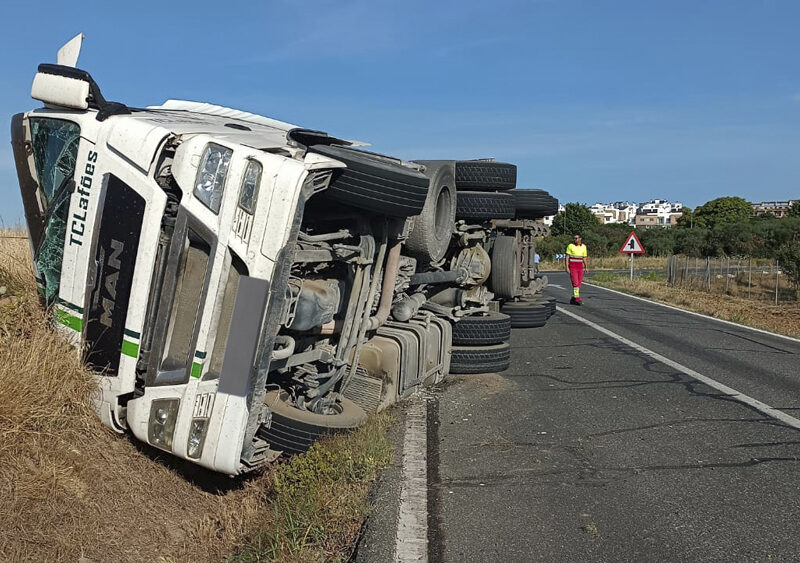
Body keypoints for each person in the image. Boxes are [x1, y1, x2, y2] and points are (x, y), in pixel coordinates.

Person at [564, 234, 588, 305]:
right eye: (574, 238)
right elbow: (567, 257)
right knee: (575, 283)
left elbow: (584, 258)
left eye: (576, 238)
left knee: (579, 283)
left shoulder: (583, 247)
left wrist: (586, 267)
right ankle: (577, 298)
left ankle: (573, 298)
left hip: (580, 266)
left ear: (580, 239)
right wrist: (567, 267)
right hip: (573, 266)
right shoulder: (570, 246)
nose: (575, 240)